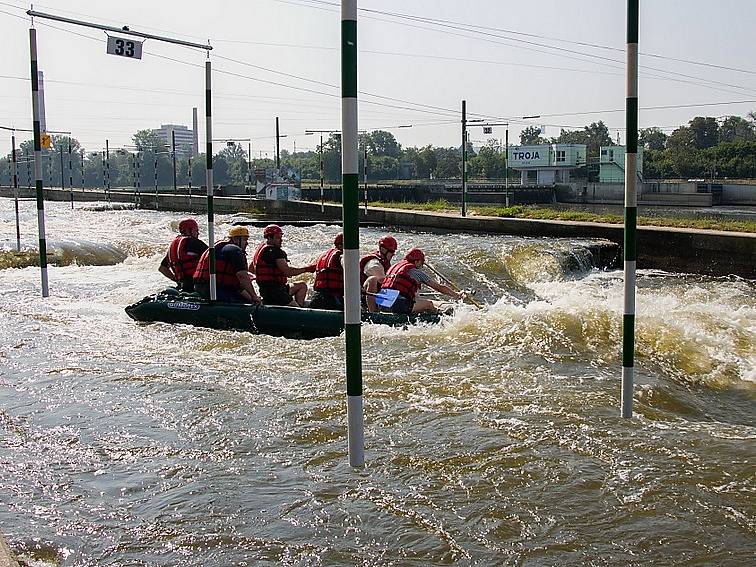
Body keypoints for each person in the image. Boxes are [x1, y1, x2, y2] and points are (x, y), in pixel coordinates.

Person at [379, 247, 464, 314]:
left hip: (382, 303)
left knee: (415, 299)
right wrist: (456, 295)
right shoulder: (416, 272)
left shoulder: (394, 267)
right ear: (416, 261)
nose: (421, 265)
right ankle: (440, 317)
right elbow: (439, 288)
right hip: (398, 305)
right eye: (421, 263)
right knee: (429, 304)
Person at [250, 224, 315, 307]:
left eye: (281, 237)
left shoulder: (260, 249)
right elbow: (288, 272)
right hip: (276, 292)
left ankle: (299, 306)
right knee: (296, 309)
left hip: (267, 291)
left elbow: (251, 270)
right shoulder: (275, 251)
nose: (281, 240)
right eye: (277, 238)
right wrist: (307, 269)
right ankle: (297, 309)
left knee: (302, 285)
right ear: (269, 238)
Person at [192, 225, 261, 304]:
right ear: (235, 239)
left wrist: (253, 298)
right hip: (216, 291)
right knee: (243, 302)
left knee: (247, 299)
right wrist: (254, 297)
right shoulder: (234, 250)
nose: (247, 243)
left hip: (200, 288)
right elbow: (242, 276)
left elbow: (239, 287)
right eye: (245, 240)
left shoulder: (221, 248)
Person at [158, 218, 207, 292]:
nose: (198, 233)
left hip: (182, 285)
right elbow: (212, 256)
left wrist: (176, 280)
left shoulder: (174, 246)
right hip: (196, 285)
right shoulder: (194, 243)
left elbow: (162, 268)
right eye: (196, 230)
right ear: (189, 230)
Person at [359, 235, 398, 312]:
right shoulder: (374, 264)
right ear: (383, 249)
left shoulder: (384, 261)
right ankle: (373, 311)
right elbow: (382, 280)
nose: (393, 254)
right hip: (363, 297)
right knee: (372, 279)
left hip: (378, 295)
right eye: (391, 251)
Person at [309, 233, 344, 310]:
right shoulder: (341, 256)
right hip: (332, 299)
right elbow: (346, 266)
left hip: (317, 297)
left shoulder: (323, 256)